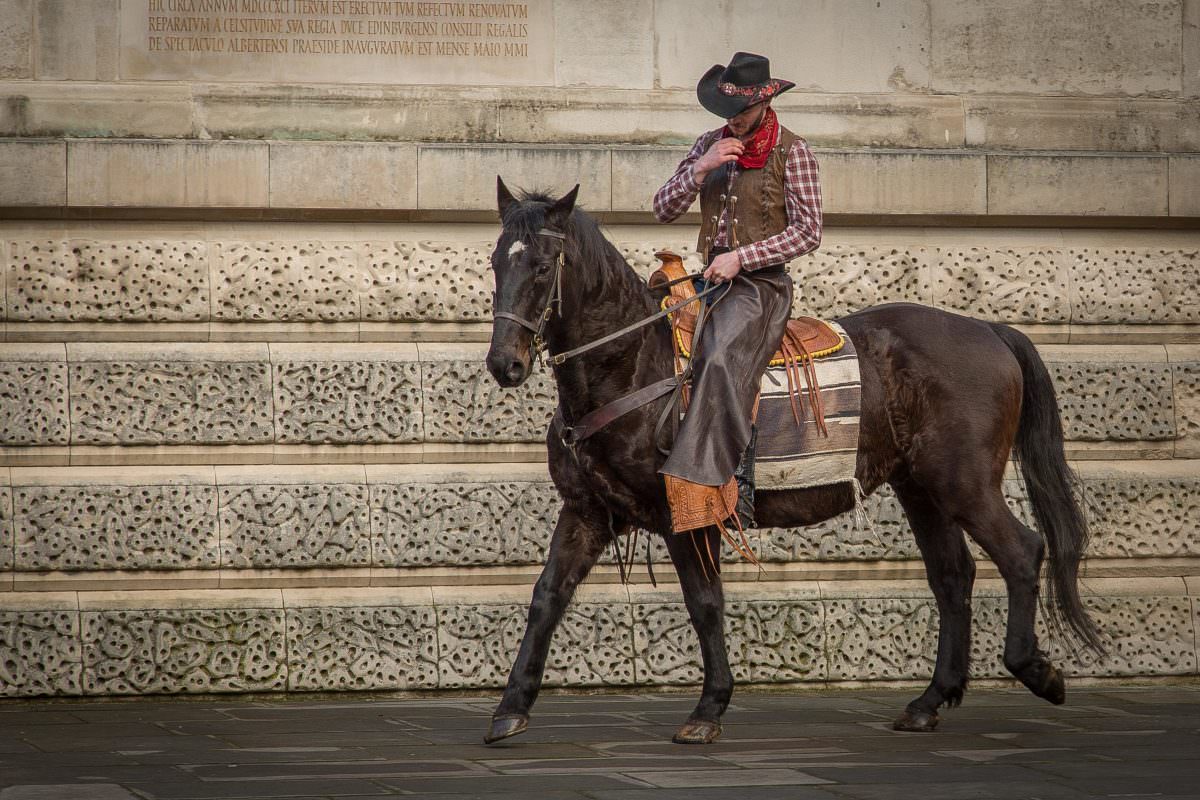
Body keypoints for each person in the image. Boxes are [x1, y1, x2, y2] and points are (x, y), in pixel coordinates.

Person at [653, 51, 823, 531]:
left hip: (760, 287)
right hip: (706, 282)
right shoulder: (710, 144)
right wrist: (700, 169)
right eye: (728, 113)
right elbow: (662, 208)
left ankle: (731, 483)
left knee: (723, 356)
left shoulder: (794, 152)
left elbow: (809, 231)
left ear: (765, 102)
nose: (735, 121)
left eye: (742, 112)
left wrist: (742, 258)